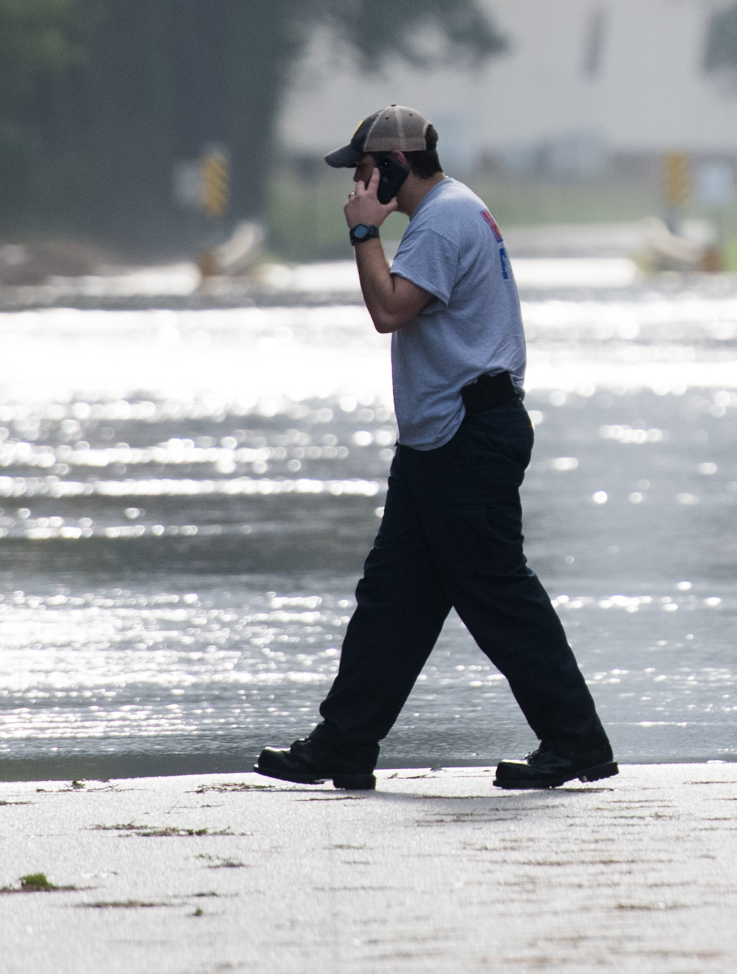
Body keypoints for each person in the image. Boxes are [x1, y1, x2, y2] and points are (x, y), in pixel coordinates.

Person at [257, 105, 616, 792]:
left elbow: (388, 310)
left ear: (392, 167)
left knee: (497, 596)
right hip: (442, 441)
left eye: (363, 170)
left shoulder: (443, 221)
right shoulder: (451, 212)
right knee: (392, 600)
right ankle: (344, 743)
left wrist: (364, 231)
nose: (356, 182)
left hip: (465, 439)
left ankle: (577, 741)